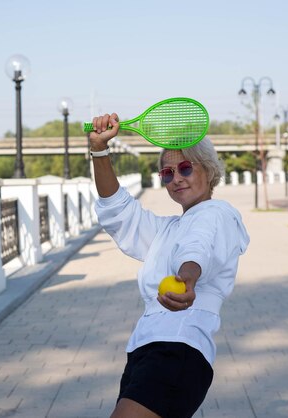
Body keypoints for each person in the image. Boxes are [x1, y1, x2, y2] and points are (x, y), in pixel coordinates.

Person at [89, 112, 250, 418]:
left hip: (177, 348)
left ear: (209, 170)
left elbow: (198, 247)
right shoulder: (170, 228)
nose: (176, 178)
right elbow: (120, 212)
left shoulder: (216, 213)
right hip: (148, 349)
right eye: (167, 173)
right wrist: (99, 150)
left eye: (186, 168)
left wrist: (187, 279)